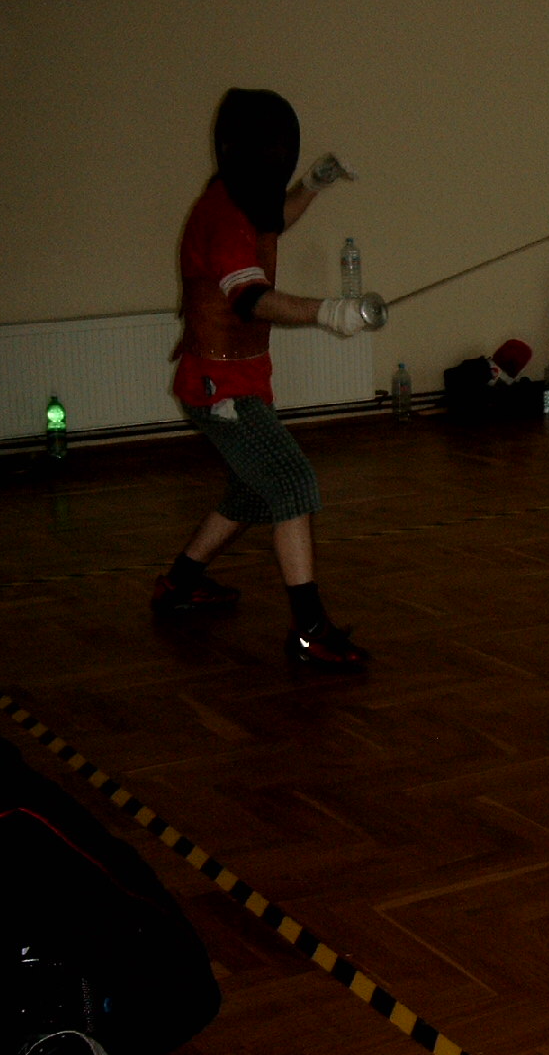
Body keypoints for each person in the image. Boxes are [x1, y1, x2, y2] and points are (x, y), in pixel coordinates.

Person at [152, 88, 373, 672]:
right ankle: (310, 630)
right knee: (293, 485)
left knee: (253, 492)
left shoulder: (241, 199)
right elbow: (251, 298)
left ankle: (178, 584)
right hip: (218, 387)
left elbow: (275, 219)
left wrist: (314, 184)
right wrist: (328, 312)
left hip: (237, 378)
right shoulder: (222, 214)